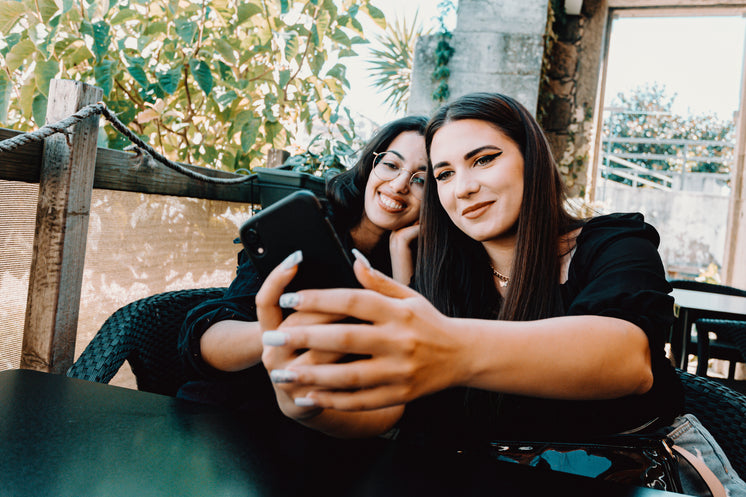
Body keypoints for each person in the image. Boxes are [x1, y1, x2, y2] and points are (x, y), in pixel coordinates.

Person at [257, 93, 746, 495]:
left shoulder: (612, 242)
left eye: (483, 160)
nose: (463, 188)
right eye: (444, 174)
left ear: (531, 160)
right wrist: (312, 402)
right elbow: (397, 411)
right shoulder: (448, 277)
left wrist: (450, 348)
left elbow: (625, 358)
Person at [176, 115, 429, 409]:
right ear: (371, 165)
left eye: (420, 180)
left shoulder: (420, 260)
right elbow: (207, 342)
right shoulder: (304, 226)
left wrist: (400, 252)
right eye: (391, 165)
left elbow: (401, 364)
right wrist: (290, 332)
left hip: (328, 429)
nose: (399, 185)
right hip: (231, 410)